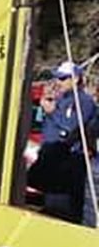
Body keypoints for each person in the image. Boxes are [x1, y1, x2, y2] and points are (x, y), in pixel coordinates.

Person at [37, 61, 97, 223]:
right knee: (49, 213)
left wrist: (52, 112)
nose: (58, 82)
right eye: (57, 78)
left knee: (63, 215)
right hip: (52, 164)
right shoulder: (61, 100)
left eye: (63, 78)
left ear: (75, 79)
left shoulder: (83, 102)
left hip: (68, 166)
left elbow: (73, 128)